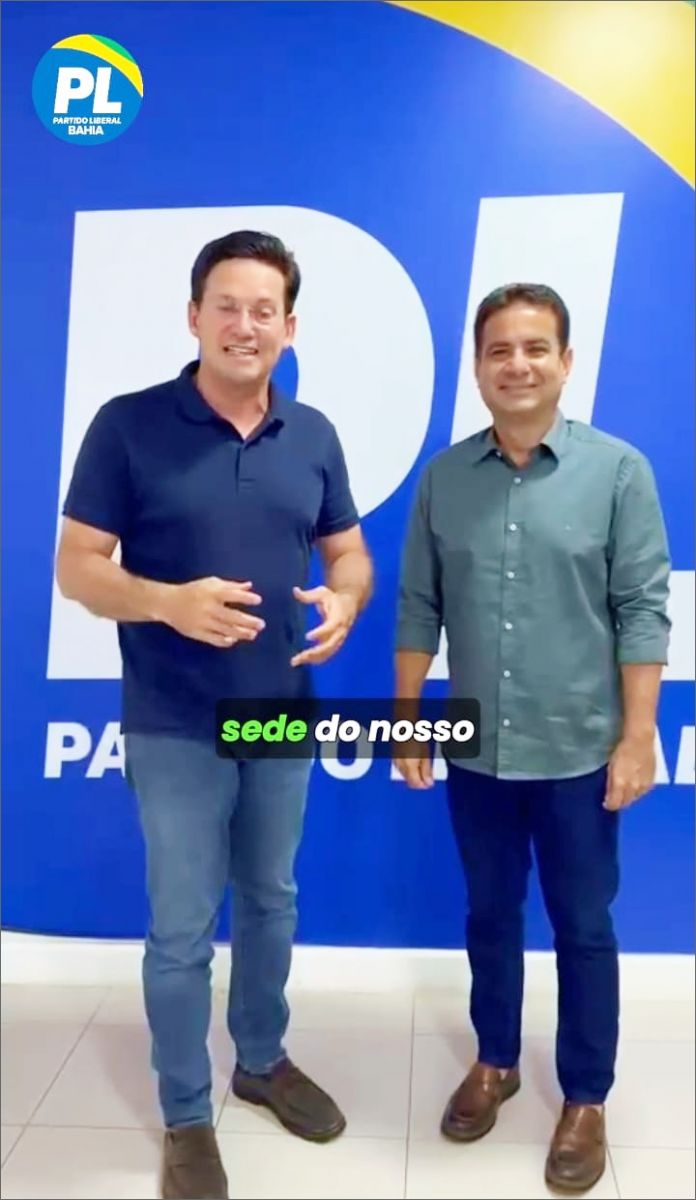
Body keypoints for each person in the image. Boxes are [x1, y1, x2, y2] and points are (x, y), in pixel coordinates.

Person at [56, 230, 373, 1200]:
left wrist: (348, 599)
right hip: (175, 718)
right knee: (183, 926)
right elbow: (78, 569)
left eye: (263, 309)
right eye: (226, 306)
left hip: (279, 715)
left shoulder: (313, 434)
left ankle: (262, 1061)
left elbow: (349, 553)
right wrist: (166, 603)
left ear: (290, 327)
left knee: (272, 897)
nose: (245, 325)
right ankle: (187, 1114)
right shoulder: (127, 426)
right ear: (194, 316)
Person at [394, 283, 670, 1193]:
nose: (517, 365)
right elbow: (419, 605)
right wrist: (408, 716)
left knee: (584, 925)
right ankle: (497, 1060)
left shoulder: (618, 472)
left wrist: (638, 736)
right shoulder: (445, 479)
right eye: (499, 350)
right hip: (477, 750)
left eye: (535, 348)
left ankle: (585, 1096)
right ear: (478, 368)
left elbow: (642, 610)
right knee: (489, 915)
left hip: (580, 751)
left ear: (565, 362)